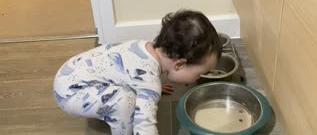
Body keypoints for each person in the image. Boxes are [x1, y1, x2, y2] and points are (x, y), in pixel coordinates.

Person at [53, 9, 222, 135]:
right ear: (179, 64)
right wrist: (149, 91)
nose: (197, 78)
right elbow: (144, 124)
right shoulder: (149, 81)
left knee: (131, 93)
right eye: (199, 73)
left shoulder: (144, 47)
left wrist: (151, 88)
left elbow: (137, 76)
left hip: (69, 75)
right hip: (71, 95)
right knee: (125, 101)